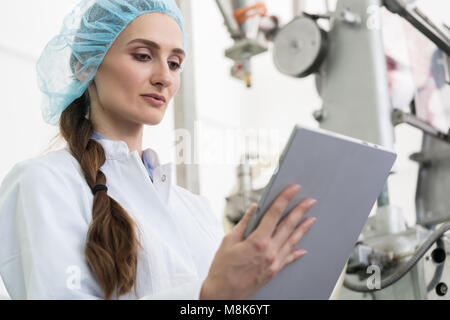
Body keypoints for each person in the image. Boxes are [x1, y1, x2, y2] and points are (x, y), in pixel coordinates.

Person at [0, 0, 316, 300]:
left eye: (175, 63)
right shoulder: (45, 183)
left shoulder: (195, 210)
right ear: (86, 65)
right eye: (142, 56)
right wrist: (207, 295)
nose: (164, 77)